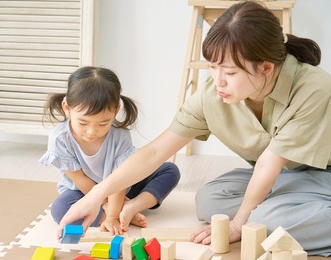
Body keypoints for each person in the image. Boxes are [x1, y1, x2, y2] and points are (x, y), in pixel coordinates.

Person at [54, 2, 331, 256]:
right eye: (212, 67)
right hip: (289, 177)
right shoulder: (214, 95)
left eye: (230, 72)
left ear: (266, 68)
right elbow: (155, 152)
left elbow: (271, 161)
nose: (218, 80)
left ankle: (278, 213)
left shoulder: (313, 87)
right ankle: (284, 210)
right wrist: (94, 197)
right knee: (209, 202)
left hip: (323, 176)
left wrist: (238, 224)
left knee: (267, 222)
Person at [39, 66, 180, 235]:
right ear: (67, 108)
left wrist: (113, 216)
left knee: (169, 170)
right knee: (61, 209)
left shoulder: (120, 136)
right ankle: (123, 213)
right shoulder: (60, 139)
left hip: (122, 186)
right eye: (83, 123)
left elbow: (121, 178)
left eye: (103, 123)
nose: (92, 132)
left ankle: (132, 207)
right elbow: (80, 180)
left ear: (116, 111)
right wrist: (106, 208)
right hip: (83, 192)